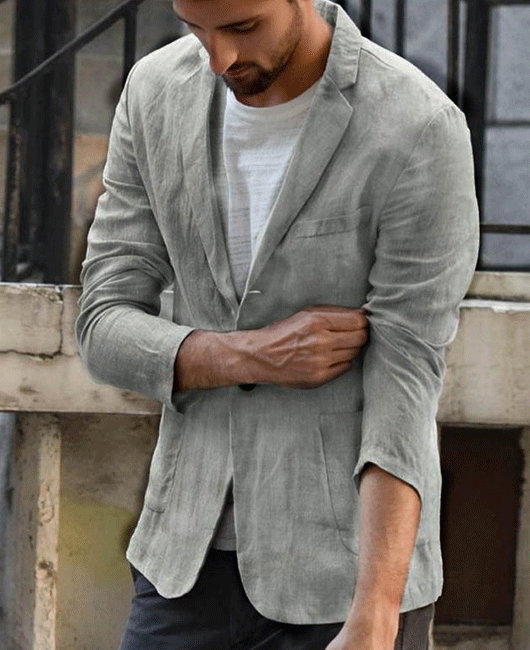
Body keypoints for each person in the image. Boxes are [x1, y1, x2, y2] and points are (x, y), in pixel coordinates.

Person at [76, 0, 479, 648]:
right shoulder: (153, 94)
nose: (218, 59)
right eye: (194, 28)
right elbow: (102, 323)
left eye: (242, 28)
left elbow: (405, 381)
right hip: (184, 559)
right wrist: (249, 355)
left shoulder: (416, 125)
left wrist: (376, 609)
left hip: (344, 572)